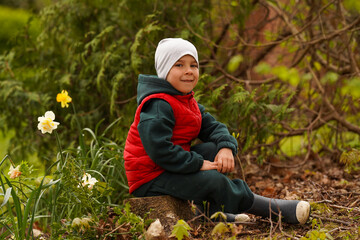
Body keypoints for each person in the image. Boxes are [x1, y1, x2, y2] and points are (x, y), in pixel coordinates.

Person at [124, 38, 310, 224]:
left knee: (214, 150)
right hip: (149, 177)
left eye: (193, 65)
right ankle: (272, 209)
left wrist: (226, 148)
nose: (188, 70)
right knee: (212, 179)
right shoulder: (157, 105)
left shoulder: (186, 101)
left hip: (168, 166)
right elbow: (159, 150)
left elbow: (214, 127)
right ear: (165, 71)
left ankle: (211, 214)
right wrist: (197, 164)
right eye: (179, 65)